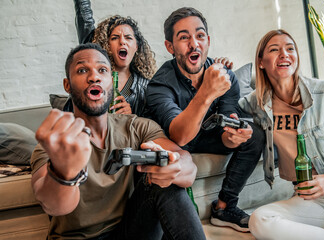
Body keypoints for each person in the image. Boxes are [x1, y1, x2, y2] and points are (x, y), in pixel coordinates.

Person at [31, 43, 206, 240]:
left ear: (110, 82)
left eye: (102, 70)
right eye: (82, 70)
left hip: (129, 232)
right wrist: (64, 173)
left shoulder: (137, 127)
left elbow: (187, 165)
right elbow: (54, 206)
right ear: (67, 85)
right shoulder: (57, 144)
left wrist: (172, 166)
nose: (94, 77)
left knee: (166, 182)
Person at [145, 7, 265, 232]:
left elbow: (227, 129)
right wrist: (207, 92)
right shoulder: (159, 84)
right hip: (178, 139)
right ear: (170, 46)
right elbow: (179, 136)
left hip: (209, 133)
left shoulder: (225, 76)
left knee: (255, 134)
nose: (194, 44)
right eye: (183, 37)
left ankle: (224, 207)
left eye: (199, 36)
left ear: (208, 40)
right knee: (179, 144)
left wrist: (233, 138)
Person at [238, 29, 324, 240]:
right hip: (309, 202)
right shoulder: (255, 103)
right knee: (260, 220)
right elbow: (228, 112)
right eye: (274, 50)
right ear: (261, 62)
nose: (284, 54)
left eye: (290, 49)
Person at [67, 0, 157, 116]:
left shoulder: (146, 86)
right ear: (106, 45)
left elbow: (153, 127)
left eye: (128, 38)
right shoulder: (93, 78)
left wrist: (132, 117)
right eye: (115, 38)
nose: (122, 42)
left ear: (136, 47)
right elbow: (85, 19)